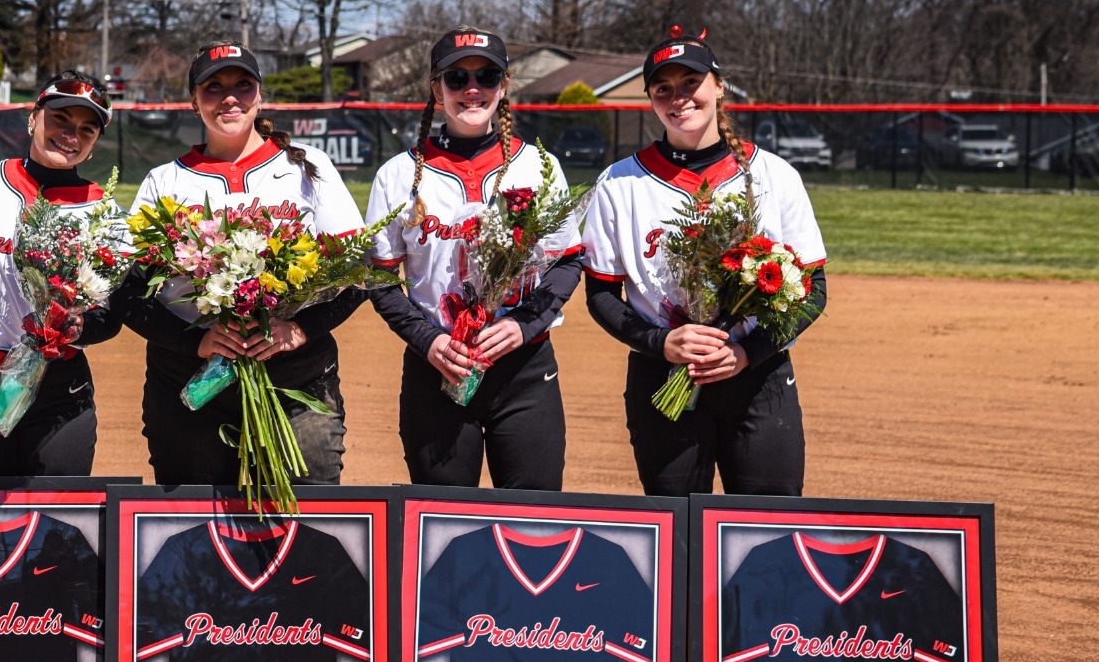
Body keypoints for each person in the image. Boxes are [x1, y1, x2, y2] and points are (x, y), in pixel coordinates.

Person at [580, 27, 829, 495]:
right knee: (677, 539)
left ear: (718, 85)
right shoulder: (619, 183)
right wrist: (661, 341)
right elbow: (600, 294)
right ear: (651, 99)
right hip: (664, 375)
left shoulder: (775, 176)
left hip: (758, 376)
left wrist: (745, 354)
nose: (679, 98)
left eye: (690, 82)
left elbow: (812, 290)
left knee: (766, 532)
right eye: (663, 88)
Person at [124, 41, 368, 486]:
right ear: (194, 101)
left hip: (296, 381)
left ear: (261, 95)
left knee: (305, 525)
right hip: (192, 386)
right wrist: (191, 341)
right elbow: (127, 291)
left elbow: (355, 272)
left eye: (243, 84)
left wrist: (300, 329)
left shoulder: (309, 168)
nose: (230, 96)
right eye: (213, 87)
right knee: (194, 530)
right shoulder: (165, 181)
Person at [364, 27, 584, 490]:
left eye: (486, 75)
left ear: (503, 86)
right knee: (440, 529)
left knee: (532, 523)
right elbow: (379, 278)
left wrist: (523, 324)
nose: (471, 88)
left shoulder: (536, 167)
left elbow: (566, 262)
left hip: (523, 370)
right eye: (456, 77)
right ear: (435, 88)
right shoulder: (399, 174)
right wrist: (427, 340)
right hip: (437, 367)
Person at [0, 71, 130, 476]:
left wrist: (75, 327)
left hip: (60, 388)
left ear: (95, 144)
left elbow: (111, 316)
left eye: (87, 128)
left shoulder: (106, 215)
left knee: (58, 526)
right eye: (60, 118)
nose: (70, 134)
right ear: (34, 118)